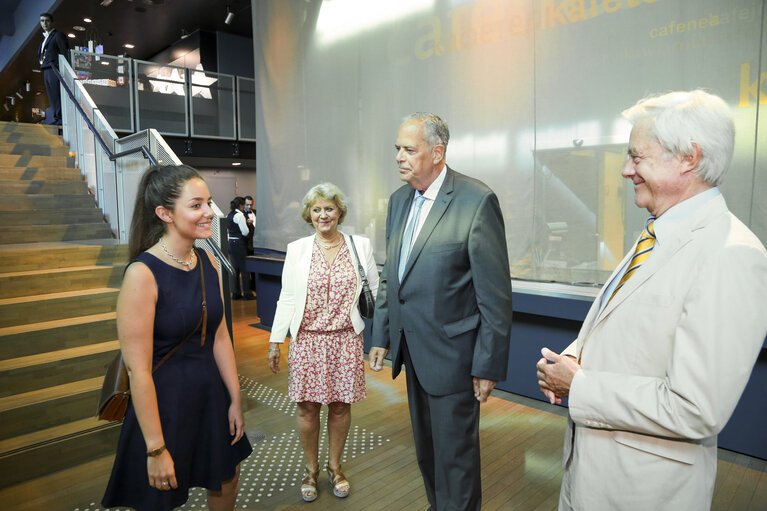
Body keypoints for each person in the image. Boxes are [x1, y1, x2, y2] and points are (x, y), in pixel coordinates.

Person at [536, 90, 767, 510]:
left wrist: (580, 385)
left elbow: (696, 408)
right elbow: (630, 331)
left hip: (642, 492)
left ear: (688, 158)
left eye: (637, 157)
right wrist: (570, 361)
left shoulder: (732, 254)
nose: (626, 171)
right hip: (594, 476)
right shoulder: (657, 234)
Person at [369, 113, 513, 511]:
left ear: (437, 152)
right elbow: (391, 276)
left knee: (456, 462)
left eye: (409, 149)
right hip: (412, 353)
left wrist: (488, 364)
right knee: (428, 454)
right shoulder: (398, 201)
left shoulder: (475, 200)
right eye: (397, 148)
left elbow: (495, 296)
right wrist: (381, 334)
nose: (399, 156)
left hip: (454, 359)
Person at [102, 165, 252, 510]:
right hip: (163, 403)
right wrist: (155, 448)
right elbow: (138, 371)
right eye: (196, 205)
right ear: (164, 213)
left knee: (226, 478)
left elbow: (219, 338)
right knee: (160, 495)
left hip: (209, 394)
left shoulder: (207, 263)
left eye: (209, 203)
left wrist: (234, 398)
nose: (209, 213)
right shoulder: (142, 274)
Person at [267, 182, 379, 503]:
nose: (322, 215)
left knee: (341, 406)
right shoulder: (297, 249)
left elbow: (374, 290)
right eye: (316, 209)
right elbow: (287, 297)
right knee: (307, 407)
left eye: (329, 208)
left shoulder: (360, 245)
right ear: (309, 214)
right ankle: (311, 470)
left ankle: (335, 466)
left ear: (340, 211)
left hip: (345, 339)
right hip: (308, 340)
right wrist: (276, 340)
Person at [38, 13, 68, 126]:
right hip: (46, 69)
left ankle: (60, 118)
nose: (44, 23)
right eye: (42, 21)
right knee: (52, 95)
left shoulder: (58, 35)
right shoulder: (44, 40)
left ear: (52, 22)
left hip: (54, 68)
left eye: (47, 21)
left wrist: (64, 70)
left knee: (57, 93)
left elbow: (65, 52)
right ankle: (56, 117)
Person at [226, 196, 253, 300]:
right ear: (241, 205)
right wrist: (248, 224)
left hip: (231, 243)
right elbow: (245, 232)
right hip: (239, 243)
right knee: (244, 269)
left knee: (235, 270)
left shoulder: (229, 214)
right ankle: (247, 293)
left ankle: (236, 293)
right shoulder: (240, 215)